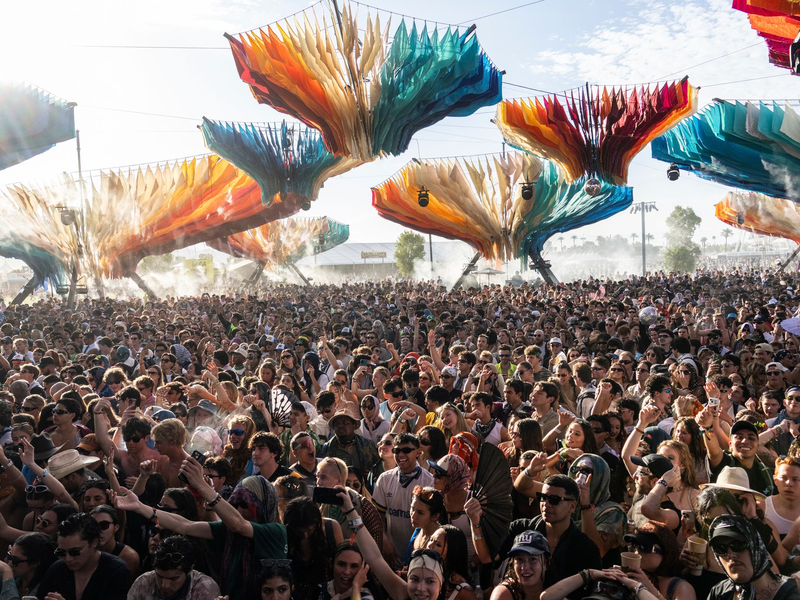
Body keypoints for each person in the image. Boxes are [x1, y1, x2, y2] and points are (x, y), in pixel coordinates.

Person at [115, 460, 287, 600]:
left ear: (264, 505)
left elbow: (238, 524)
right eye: (235, 504)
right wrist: (139, 507)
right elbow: (184, 525)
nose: (239, 511)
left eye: (245, 505)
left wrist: (202, 486)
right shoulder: (230, 531)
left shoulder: (275, 532)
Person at [36, 512, 131, 600]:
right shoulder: (57, 569)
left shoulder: (116, 570)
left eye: (75, 552)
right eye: (61, 552)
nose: (68, 559)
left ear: (94, 542)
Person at [372, 433, 434, 567]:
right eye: (396, 450)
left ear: (417, 452)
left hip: (420, 553)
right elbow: (378, 516)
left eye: (406, 450)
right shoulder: (384, 479)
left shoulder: (429, 481)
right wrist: (384, 539)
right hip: (391, 552)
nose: (400, 455)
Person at [708, 514, 800, 600]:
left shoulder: (789, 593)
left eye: (737, 545)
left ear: (755, 545)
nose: (730, 554)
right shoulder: (720, 592)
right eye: (720, 548)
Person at [127, 535, 220, 600]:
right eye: (160, 576)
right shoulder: (143, 582)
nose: (164, 585)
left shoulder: (204, 589)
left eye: (173, 579)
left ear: (190, 570)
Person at [5, 532, 56, 598]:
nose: (10, 563)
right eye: (9, 556)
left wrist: (6, 574)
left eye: (15, 560)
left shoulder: (44, 592)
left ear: (35, 563)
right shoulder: (16, 581)